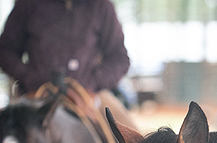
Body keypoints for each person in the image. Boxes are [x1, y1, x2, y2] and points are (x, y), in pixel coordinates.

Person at [0, 0, 137, 129]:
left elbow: (120, 59)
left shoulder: (101, 5)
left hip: (89, 97)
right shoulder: (27, 4)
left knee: (135, 142)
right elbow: (5, 51)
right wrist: (31, 79)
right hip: (36, 96)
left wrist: (91, 85)